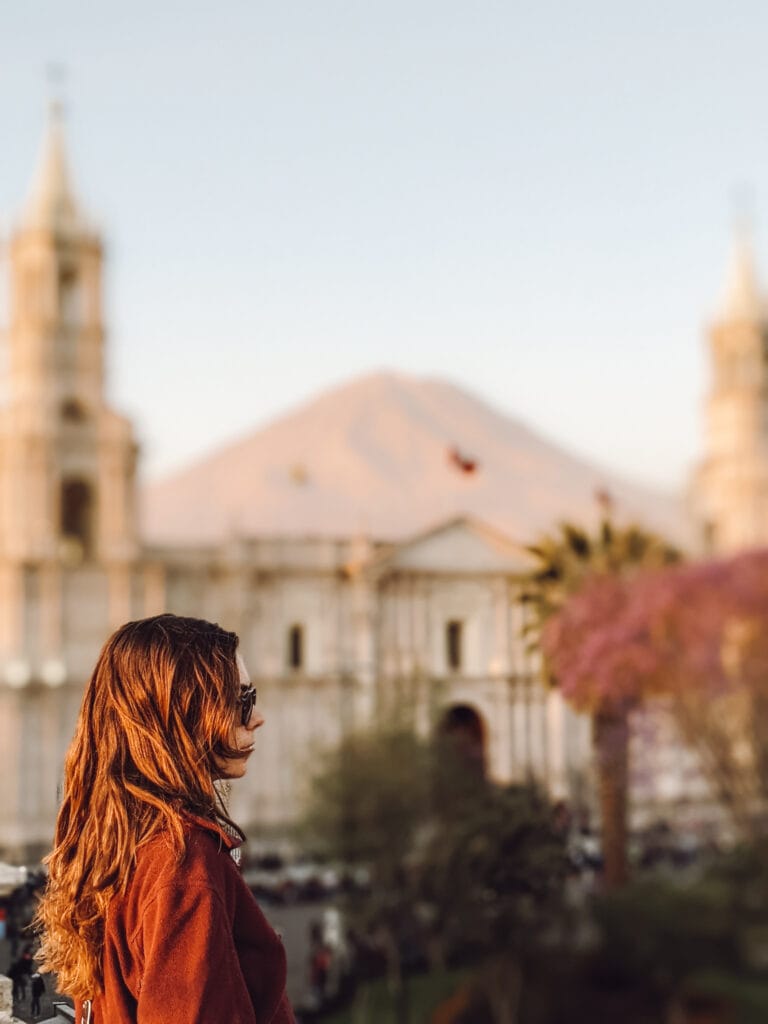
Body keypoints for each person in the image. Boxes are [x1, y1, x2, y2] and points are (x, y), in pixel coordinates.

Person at [34, 614, 295, 1024]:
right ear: (181, 713)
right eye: (241, 700)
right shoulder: (182, 862)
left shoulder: (120, 841)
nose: (257, 717)